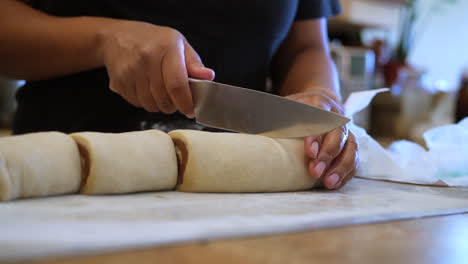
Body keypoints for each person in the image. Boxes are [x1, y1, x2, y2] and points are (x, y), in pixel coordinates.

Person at [0, 0, 358, 190]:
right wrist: (103, 39)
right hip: (52, 182)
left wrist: (319, 95)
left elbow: (306, 47)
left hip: (247, 198)